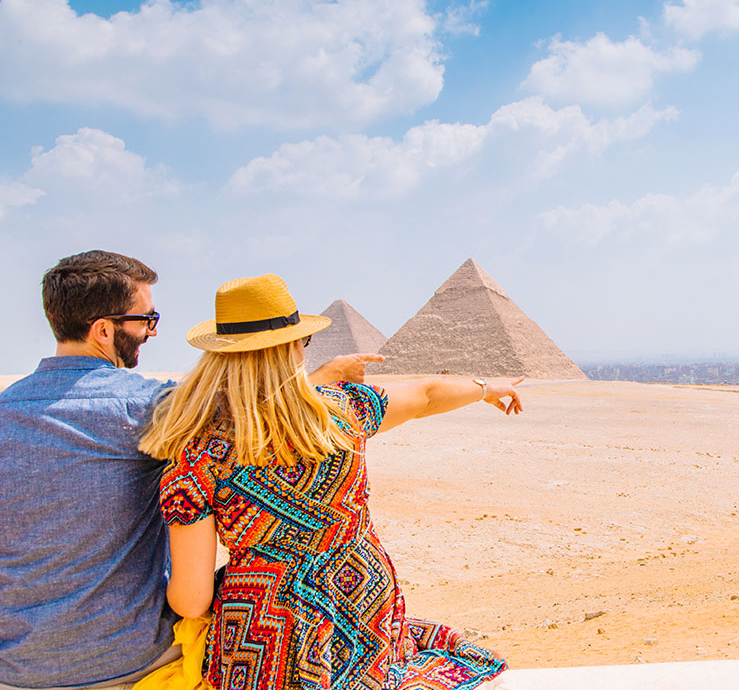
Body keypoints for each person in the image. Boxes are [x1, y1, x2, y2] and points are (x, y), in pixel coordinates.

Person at [0, 251, 376, 690]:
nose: (150, 332)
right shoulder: (152, 408)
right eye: (146, 319)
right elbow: (256, 410)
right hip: (128, 661)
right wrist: (319, 381)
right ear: (103, 330)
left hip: (16, 665)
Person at [140, 273, 520, 690]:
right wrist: (487, 388)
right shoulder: (345, 412)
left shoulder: (195, 458)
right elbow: (427, 394)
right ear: (292, 348)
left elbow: (191, 600)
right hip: (363, 610)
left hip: (265, 637)